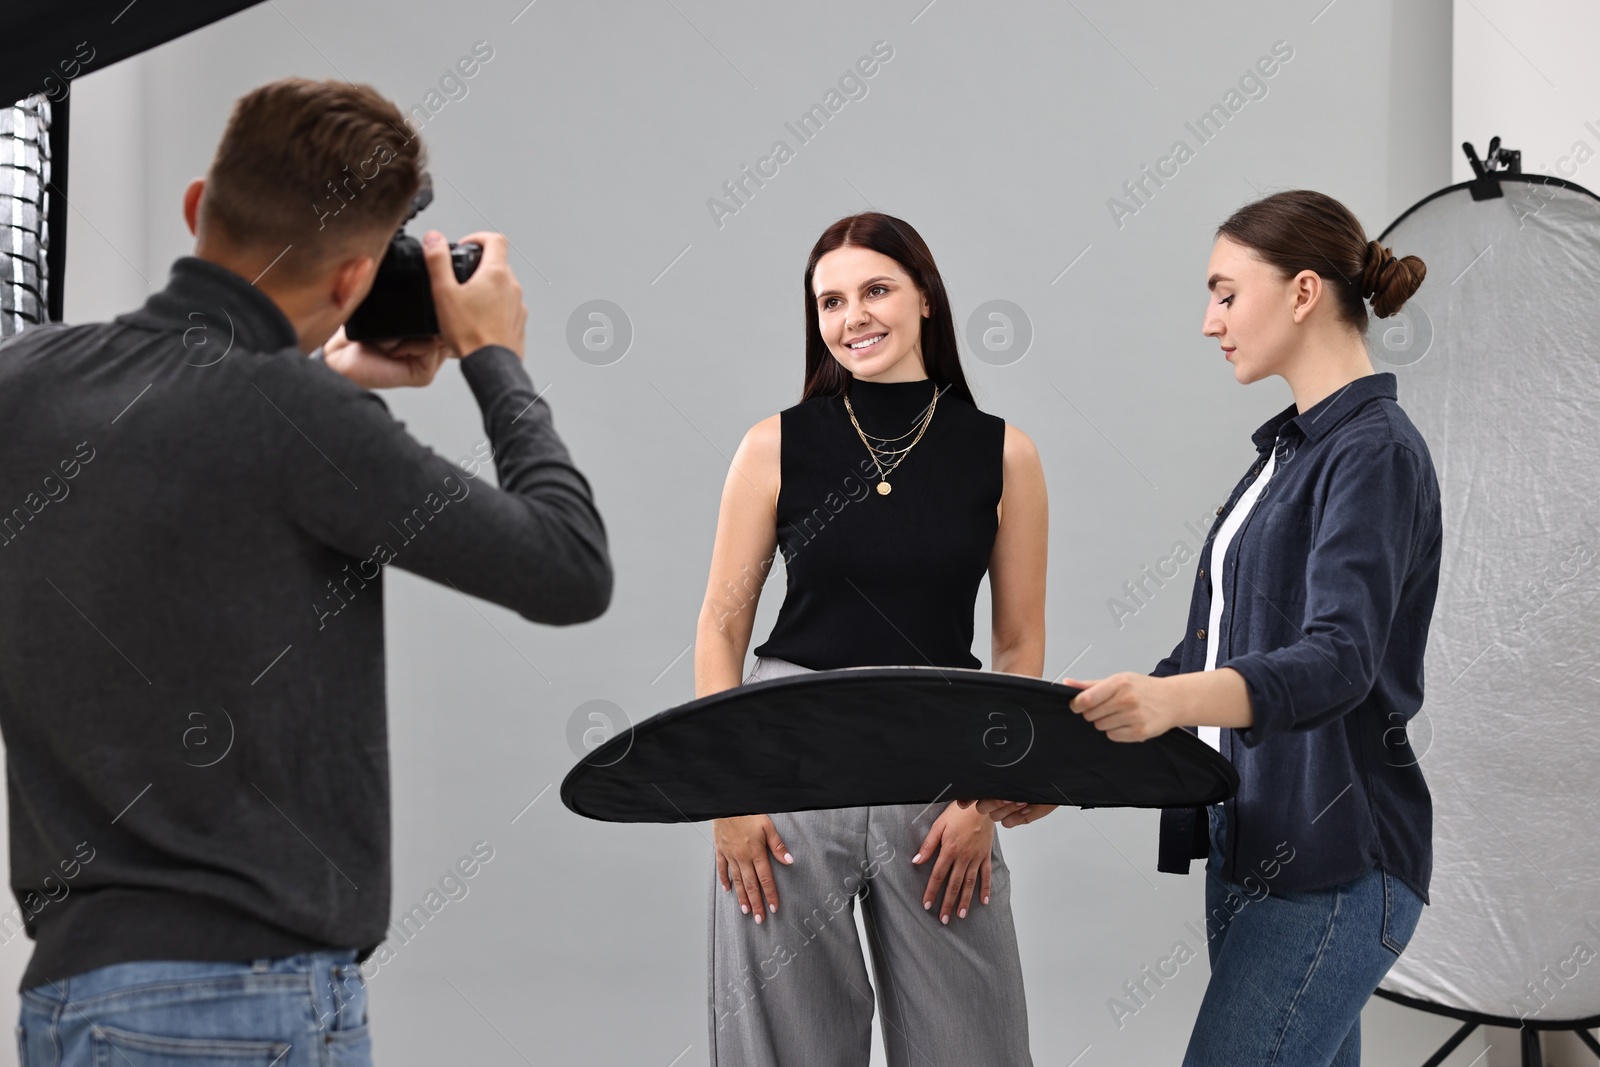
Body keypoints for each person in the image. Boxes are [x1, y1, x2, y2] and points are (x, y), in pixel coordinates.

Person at [0, 77, 611, 1064]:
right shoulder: (305, 425)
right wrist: (493, 356)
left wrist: (314, 375)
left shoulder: (22, 384)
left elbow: (171, 431)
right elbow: (567, 565)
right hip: (246, 1006)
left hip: (71, 1002)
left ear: (200, 205)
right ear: (351, 281)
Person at [976, 189, 1439, 1066]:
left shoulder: (1373, 451)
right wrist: (1079, 757)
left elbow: (1339, 660)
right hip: (1255, 847)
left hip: (1336, 863)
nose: (1208, 320)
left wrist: (1165, 699)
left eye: (1226, 292)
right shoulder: (1288, 454)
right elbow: (1215, 657)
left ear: (1303, 292)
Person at [694, 211, 1049, 1066]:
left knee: (975, 1047)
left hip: (940, 775)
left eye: (876, 289)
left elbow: (1020, 639)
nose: (853, 316)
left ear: (924, 297)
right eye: (830, 301)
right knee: (784, 1050)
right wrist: (727, 797)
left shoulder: (1005, 455)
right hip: (788, 766)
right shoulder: (773, 444)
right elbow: (721, 623)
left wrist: (983, 799)